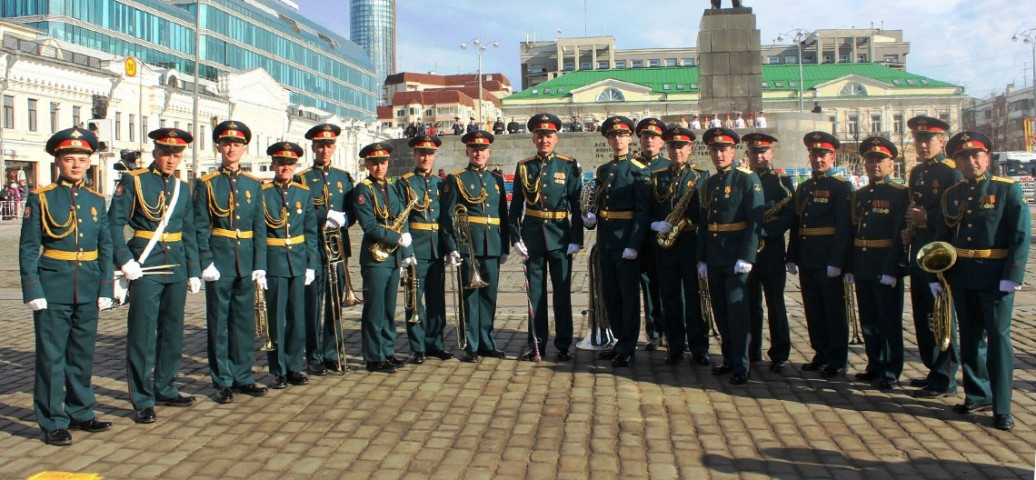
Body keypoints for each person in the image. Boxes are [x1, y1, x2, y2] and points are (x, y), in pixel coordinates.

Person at [930, 131, 1030, 431]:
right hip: (962, 275)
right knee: (971, 339)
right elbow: (942, 236)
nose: (971, 161)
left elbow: (1020, 235)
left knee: (998, 339)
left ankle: (1002, 407)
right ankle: (978, 394)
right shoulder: (953, 194)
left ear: (987, 157)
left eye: (976, 155)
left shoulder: (1007, 189)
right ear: (956, 161)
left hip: (995, 276)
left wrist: (1013, 274)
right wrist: (938, 274)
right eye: (963, 156)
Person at [20, 127, 113, 445]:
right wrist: (32, 287)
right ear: (58, 161)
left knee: (82, 354)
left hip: (87, 286)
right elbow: (29, 247)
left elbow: (106, 245)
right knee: (51, 357)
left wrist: (106, 287)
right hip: (53, 287)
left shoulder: (97, 200)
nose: (76, 164)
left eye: (82, 159)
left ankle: (81, 411)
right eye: (69, 158)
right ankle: (52, 419)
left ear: (90, 162)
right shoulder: (41, 198)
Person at [109, 127, 202, 424]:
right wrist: (125, 260)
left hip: (174, 264)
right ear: (155, 152)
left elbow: (188, 231)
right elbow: (113, 225)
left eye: (176, 155)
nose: (171, 160)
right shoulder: (133, 181)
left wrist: (193, 269)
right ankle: (141, 397)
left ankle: (166, 386)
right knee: (142, 333)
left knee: (173, 330)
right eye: (165, 153)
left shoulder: (181, 188)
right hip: (145, 264)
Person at [194, 120, 269, 404]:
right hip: (220, 260)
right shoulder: (207, 184)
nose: (232, 149)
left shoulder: (253, 184)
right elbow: (201, 226)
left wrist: (260, 262)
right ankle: (222, 379)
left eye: (237, 145)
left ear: (244, 148)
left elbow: (259, 226)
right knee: (219, 322)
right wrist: (205, 261)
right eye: (227, 144)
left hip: (246, 261)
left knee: (244, 322)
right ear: (219, 147)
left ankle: (243, 375)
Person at [508, 114, 583, 362]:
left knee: (562, 292)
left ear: (556, 138)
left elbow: (576, 204)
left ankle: (563, 343)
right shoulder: (524, 166)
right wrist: (515, 237)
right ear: (533, 138)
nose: (544, 140)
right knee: (536, 294)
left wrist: (577, 237)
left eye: (549, 135)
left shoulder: (568, 165)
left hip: (561, 235)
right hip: (533, 236)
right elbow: (516, 206)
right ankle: (536, 343)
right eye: (539, 135)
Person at [900, 116, 962, 398]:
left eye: (928, 140)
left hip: (940, 249)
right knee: (924, 311)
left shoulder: (950, 172)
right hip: (920, 247)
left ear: (941, 142)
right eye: (918, 140)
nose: (923, 145)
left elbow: (959, 213)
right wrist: (910, 230)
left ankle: (946, 375)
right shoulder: (917, 173)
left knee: (941, 315)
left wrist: (928, 217)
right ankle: (932, 369)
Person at [696, 128, 763, 385]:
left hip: (736, 257)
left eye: (724, 149)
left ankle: (741, 364)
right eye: (714, 149)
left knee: (737, 314)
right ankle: (727, 358)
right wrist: (702, 257)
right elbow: (705, 221)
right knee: (721, 311)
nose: (719, 154)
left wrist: (747, 255)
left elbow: (755, 220)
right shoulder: (711, 183)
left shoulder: (747, 180)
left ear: (733, 151)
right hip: (715, 256)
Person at [582, 116, 650, 367]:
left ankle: (628, 346)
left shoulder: (638, 170)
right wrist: (590, 218)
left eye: (621, 135)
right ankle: (620, 339)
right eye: (612, 136)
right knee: (610, 293)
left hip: (626, 239)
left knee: (628, 294)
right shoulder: (604, 170)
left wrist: (634, 243)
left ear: (629, 137)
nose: (617, 139)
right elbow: (599, 202)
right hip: (606, 237)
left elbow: (642, 211)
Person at [787, 131, 853, 378]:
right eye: (814, 155)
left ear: (832, 156)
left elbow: (844, 227)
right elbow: (797, 223)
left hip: (828, 259)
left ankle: (838, 358)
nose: (818, 159)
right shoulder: (804, 187)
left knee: (833, 310)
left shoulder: (841, 187)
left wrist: (838, 261)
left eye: (823, 154)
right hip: (807, 257)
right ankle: (820, 353)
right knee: (813, 309)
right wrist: (792, 255)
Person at [442, 131, 510, 363]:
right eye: (474, 149)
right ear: (467, 152)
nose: (479, 153)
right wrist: (452, 246)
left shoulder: (496, 180)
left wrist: (505, 247)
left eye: (483, 150)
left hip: (492, 244)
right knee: (470, 297)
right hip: (468, 245)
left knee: (489, 297)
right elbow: (447, 215)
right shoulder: (457, 178)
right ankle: (471, 344)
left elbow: (504, 215)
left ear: (489, 152)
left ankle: (487, 342)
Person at [849, 137, 908, 390]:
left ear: (890, 163)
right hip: (863, 263)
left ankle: (892, 369)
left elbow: (899, 233)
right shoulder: (860, 194)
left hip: (885, 264)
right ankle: (874, 365)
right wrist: (851, 266)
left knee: (889, 321)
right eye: (870, 160)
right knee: (869, 320)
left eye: (880, 160)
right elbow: (854, 232)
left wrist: (893, 269)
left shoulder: (899, 193)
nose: (874, 164)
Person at [298, 123, 356, 375]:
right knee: (313, 306)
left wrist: (346, 218)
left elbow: (354, 210)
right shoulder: (302, 178)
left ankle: (332, 352)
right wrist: (324, 215)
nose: (324, 149)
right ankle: (314, 355)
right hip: (314, 250)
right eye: (320, 145)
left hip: (337, 251)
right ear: (313, 147)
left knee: (335, 305)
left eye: (329, 145)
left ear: (334, 147)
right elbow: (299, 213)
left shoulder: (343, 178)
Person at [260, 141, 318, 389]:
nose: (285, 167)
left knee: (297, 318)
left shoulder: (303, 193)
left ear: (296, 166)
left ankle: (295, 366)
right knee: (276, 317)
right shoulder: (262, 193)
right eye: (281, 163)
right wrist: (260, 265)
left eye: (290, 163)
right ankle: (278, 369)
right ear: (273, 165)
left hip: (297, 260)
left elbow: (310, 231)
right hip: (274, 262)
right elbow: (259, 232)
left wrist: (311, 263)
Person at [649, 126, 709, 366]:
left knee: (694, 299)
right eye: (672, 146)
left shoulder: (701, 176)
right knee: (669, 298)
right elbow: (652, 207)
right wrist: (654, 224)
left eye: (681, 146)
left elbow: (705, 215)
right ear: (667, 148)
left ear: (689, 149)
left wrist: (703, 253)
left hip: (690, 243)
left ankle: (699, 347)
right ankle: (674, 346)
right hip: (665, 246)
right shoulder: (658, 176)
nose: (676, 151)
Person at [353, 142, 414, 373]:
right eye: (374, 162)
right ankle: (373, 356)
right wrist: (395, 238)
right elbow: (368, 225)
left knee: (389, 308)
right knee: (375, 309)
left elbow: (402, 216)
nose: (380, 167)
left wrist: (406, 250)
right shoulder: (363, 189)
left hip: (394, 257)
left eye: (383, 162)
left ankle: (388, 351)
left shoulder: (392, 187)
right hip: (375, 256)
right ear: (367, 164)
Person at [397, 134, 453, 363]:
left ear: (434, 155)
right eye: (421, 153)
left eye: (429, 153)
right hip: (416, 247)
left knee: (437, 299)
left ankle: (436, 343)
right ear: (414, 155)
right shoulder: (406, 182)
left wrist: (450, 248)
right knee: (414, 299)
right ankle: (417, 346)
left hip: (436, 247)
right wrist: (406, 252)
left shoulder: (442, 183)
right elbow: (401, 219)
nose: (425, 157)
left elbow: (447, 218)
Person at [742, 133, 795, 373]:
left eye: (763, 151)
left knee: (775, 303)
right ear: (748, 154)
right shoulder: (743, 179)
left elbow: (790, 214)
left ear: (771, 153)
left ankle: (780, 352)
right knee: (750, 302)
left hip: (772, 249)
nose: (759, 155)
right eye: (754, 151)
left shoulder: (782, 181)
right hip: (748, 249)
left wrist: (768, 229)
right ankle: (753, 350)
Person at [634, 118, 669, 351]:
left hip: (667, 239)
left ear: (662, 142)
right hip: (642, 237)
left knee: (669, 286)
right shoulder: (632, 166)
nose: (649, 140)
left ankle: (674, 330)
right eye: (645, 136)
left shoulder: (668, 166)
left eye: (654, 137)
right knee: (648, 287)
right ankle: (654, 332)